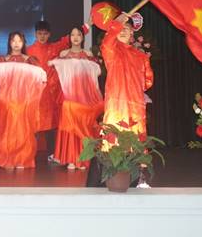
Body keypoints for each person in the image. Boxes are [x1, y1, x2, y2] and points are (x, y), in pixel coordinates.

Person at [0, 32, 46, 169]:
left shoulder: (30, 61)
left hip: (24, 101)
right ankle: (7, 158)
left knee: (23, 129)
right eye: (13, 41)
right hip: (8, 100)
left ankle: (22, 158)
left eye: (19, 41)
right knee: (7, 130)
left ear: (23, 43)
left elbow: (39, 76)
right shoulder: (2, 60)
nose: (16, 44)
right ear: (9, 42)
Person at [27, 20, 90, 162]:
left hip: (52, 94)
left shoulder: (55, 48)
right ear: (35, 34)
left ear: (49, 34)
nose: (42, 36)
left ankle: (52, 154)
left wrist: (87, 26)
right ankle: (28, 154)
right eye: (39, 33)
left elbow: (69, 39)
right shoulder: (28, 50)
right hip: (35, 94)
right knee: (33, 125)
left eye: (45, 34)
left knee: (51, 125)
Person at [49, 25, 104, 169]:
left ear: (82, 37)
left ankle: (82, 158)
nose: (75, 37)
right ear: (69, 37)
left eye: (78, 34)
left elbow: (96, 73)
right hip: (68, 95)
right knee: (70, 126)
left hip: (84, 96)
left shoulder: (88, 54)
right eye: (73, 35)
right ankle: (71, 159)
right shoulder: (63, 54)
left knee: (83, 125)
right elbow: (57, 72)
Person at [100, 14, 153, 135]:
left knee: (136, 135)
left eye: (126, 28)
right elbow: (107, 43)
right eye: (120, 29)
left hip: (135, 103)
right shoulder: (111, 51)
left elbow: (148, 81)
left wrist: (135, 89)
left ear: (132, 32)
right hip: (116, 102)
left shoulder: (142, 57)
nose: (122, 31)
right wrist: (116, 24)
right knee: (115, 136)